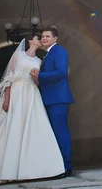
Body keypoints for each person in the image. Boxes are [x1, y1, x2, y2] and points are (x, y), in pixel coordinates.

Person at [0, 34, 65, 183]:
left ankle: (32, 170)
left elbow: (37, 82)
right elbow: (8, 78)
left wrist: (37, 78)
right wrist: (7, 98)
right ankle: (2, 171)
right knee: (11, 127)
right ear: (30, 41)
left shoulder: (38, 60)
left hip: (31, 95)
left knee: (33, 128)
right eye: (38, 38)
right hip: (17, 93)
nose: (40, 40)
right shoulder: (18, 56)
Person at [30, 27, 74, 178]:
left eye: (48, 36)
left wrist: (39, 76)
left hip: (58, 99)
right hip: (49, 98)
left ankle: (66, 167)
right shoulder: (46, 54)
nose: (44, 38)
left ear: (55, 38)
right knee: (54, 133)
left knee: (60, 132)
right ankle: (57, 166)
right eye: (42, 36)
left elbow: (61, 73)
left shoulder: (59, 51)